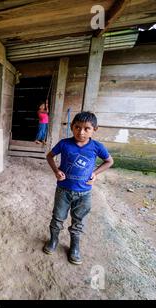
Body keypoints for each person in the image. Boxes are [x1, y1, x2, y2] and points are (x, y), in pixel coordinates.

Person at [43, 111, 113, 265]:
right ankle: (54, 240)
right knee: (57, 218)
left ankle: (74, 246)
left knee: (78, 220)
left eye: (87, 128)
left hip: (84, 193)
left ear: (95, 129)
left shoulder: (96, 147)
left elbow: (109, 161)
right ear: (72, 127)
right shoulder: (64, 144)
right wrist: (56, 171)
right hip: (63, 190)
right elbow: (49, 156)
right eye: (77, 127)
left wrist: (95, 173)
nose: (81, 132)